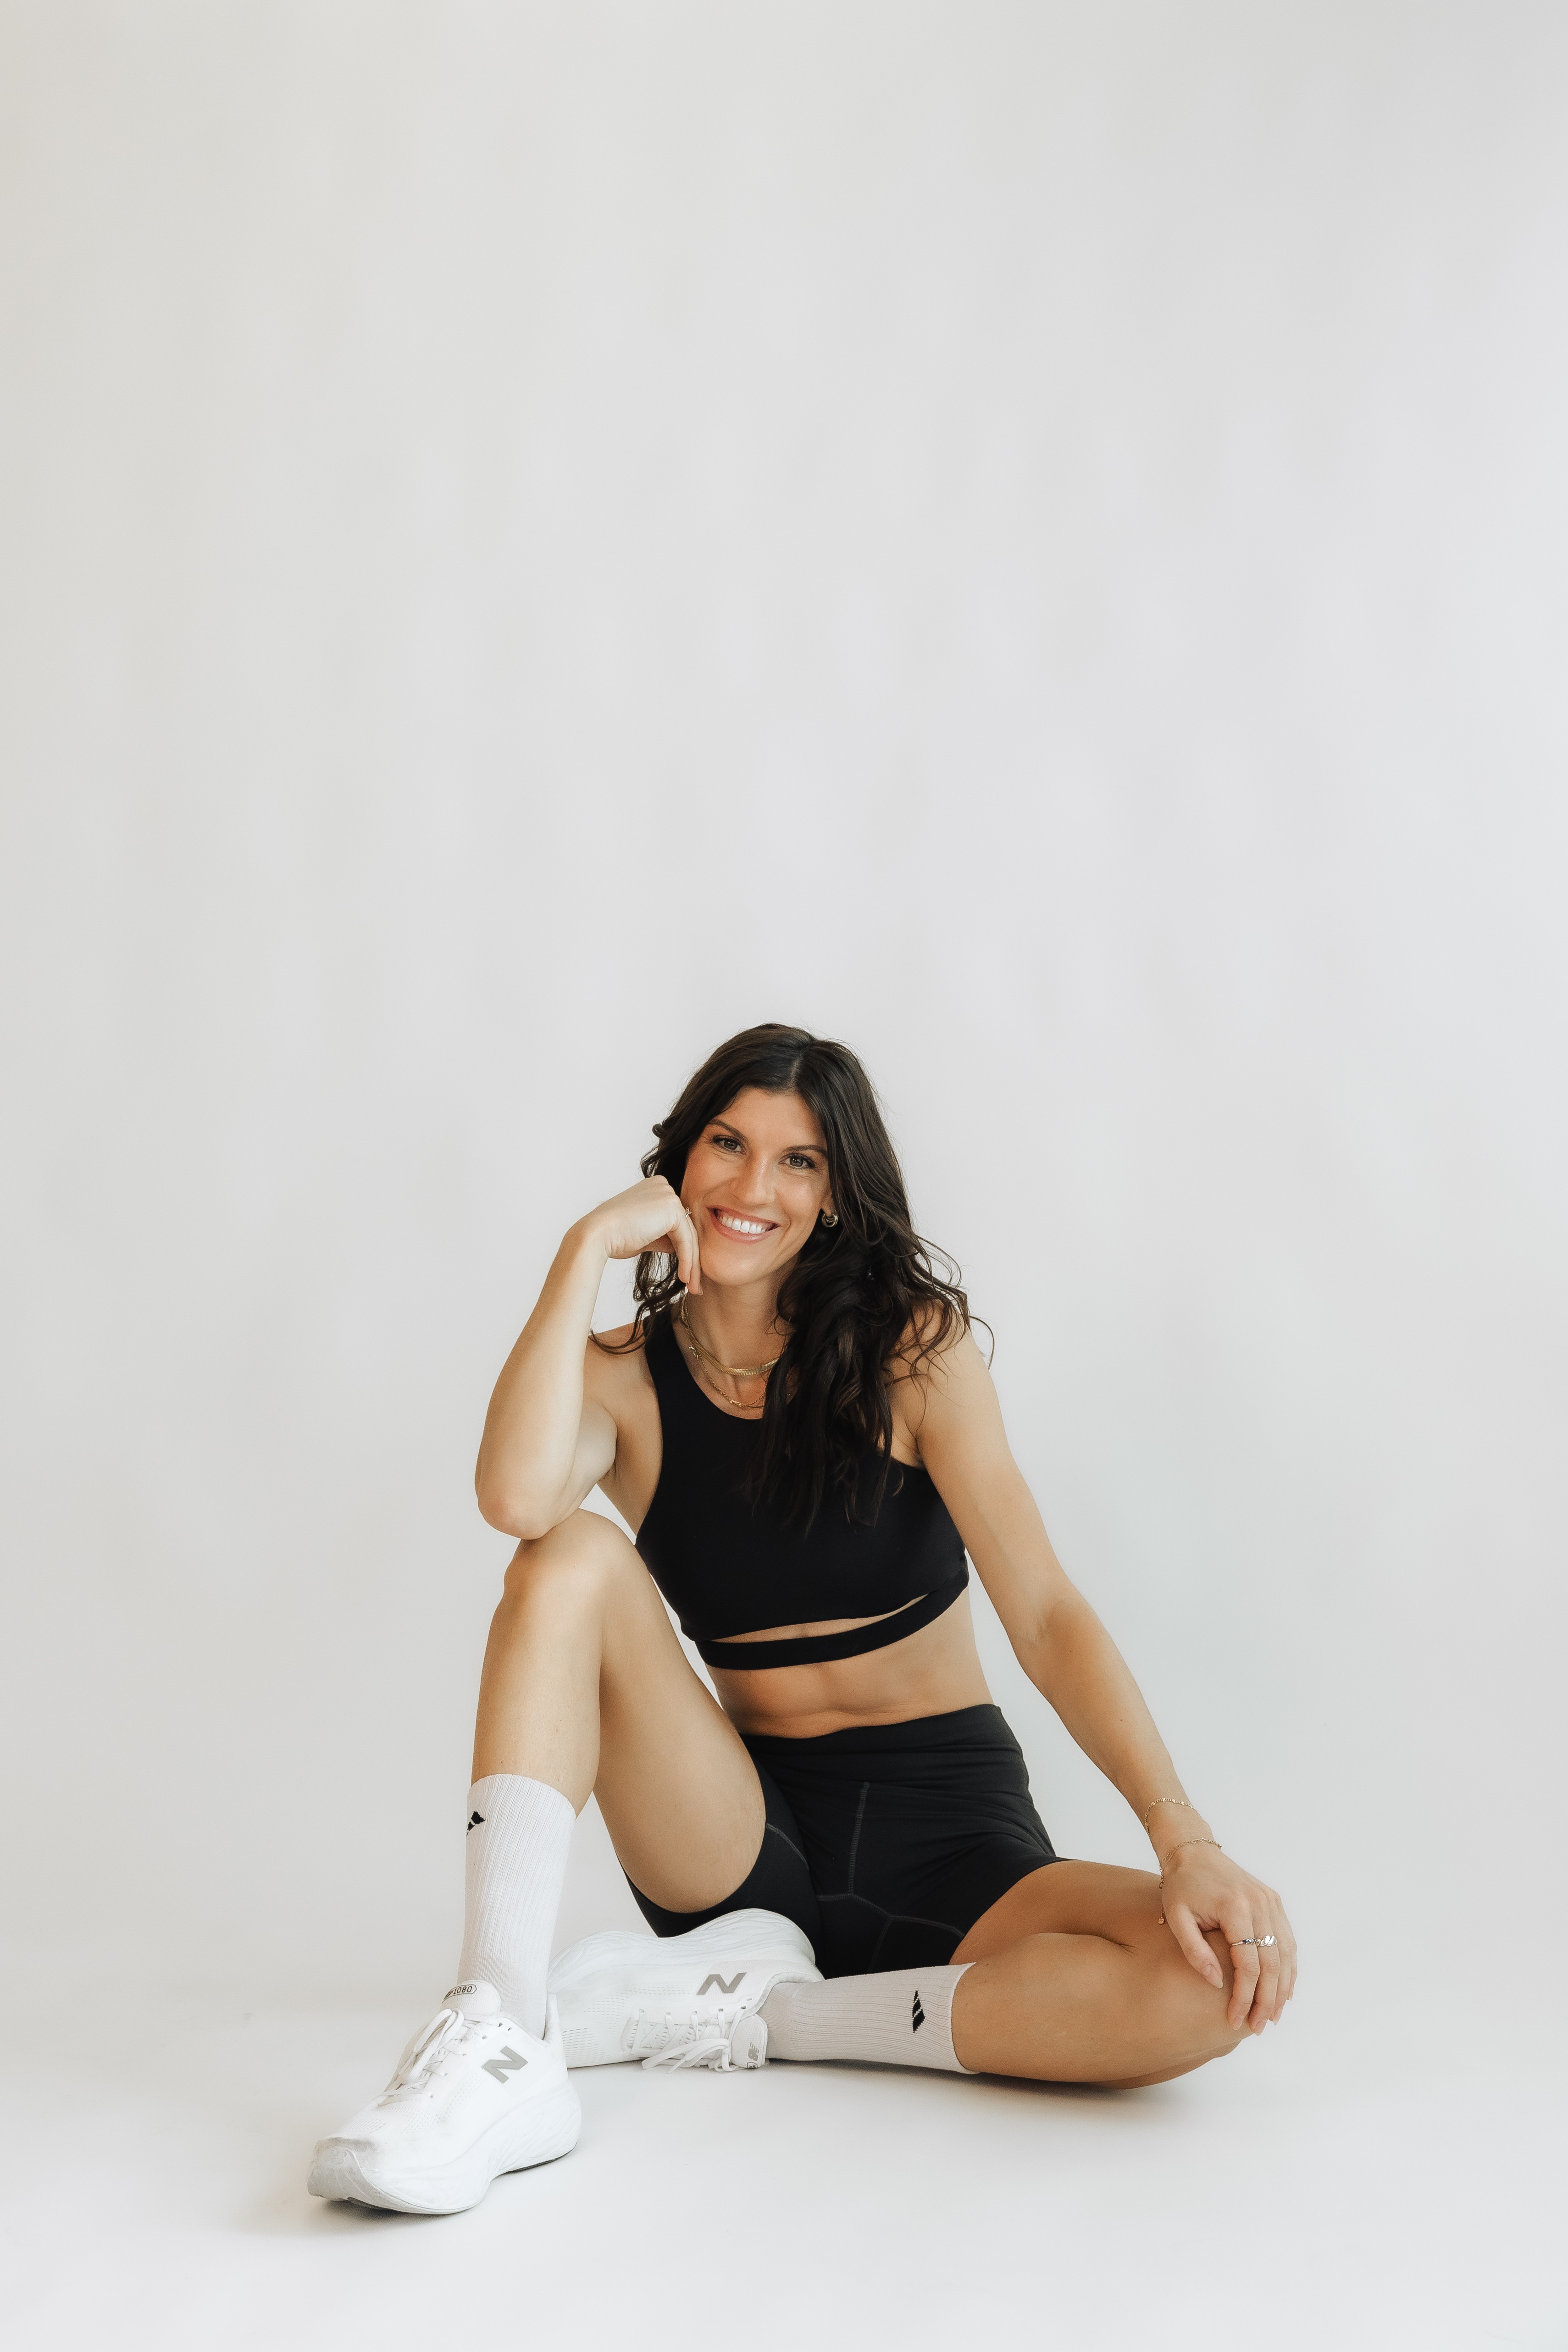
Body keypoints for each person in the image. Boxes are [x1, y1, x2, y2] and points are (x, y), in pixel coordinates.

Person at [309, 1023, 1296, 2214]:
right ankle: (499, 2027)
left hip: (952, 1844)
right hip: (737, 1843)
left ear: (834, 1196)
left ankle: (780, 2017)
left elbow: (1044, 1610)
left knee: (1212, 1982)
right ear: (679, 1160)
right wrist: (581, 1251)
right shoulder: (624, 1376)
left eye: (798, 1161)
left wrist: (1181, 1838)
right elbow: (511, 1496)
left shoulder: (909, 1354)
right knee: (564, 1551)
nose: (750, 1185)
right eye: (727, 1143)